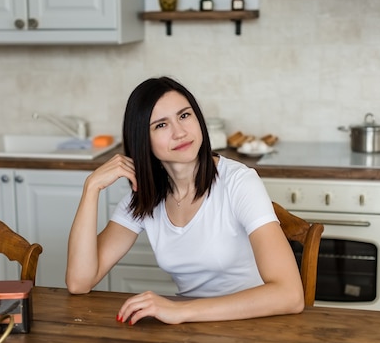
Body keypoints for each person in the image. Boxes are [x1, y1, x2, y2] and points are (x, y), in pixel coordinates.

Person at [65, 76, 304, 325]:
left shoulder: (239, 182)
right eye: (161, 125)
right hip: (193, 332)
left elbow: (289, 295)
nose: (180, 132)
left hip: (255, 325)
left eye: (184, 116)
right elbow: (79, 282)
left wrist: (182, 311)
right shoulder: (146, 195)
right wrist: (91, 188)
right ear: (142, 140)